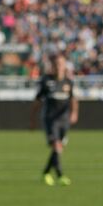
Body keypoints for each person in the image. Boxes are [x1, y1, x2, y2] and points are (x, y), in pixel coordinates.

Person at [30, 53, 77, 186]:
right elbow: (37, 101)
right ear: (53, 66)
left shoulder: (68, 82)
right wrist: (32, 118)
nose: (58, 66)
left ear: (64, 66)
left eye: (61, 64)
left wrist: (74, 114)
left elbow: (74, 99)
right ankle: (60, 175)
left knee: (59, 148)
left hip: (64, 119)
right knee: (56, 145)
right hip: (50, 119)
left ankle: (46, 172)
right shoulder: (46, 81)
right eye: (56, 64)